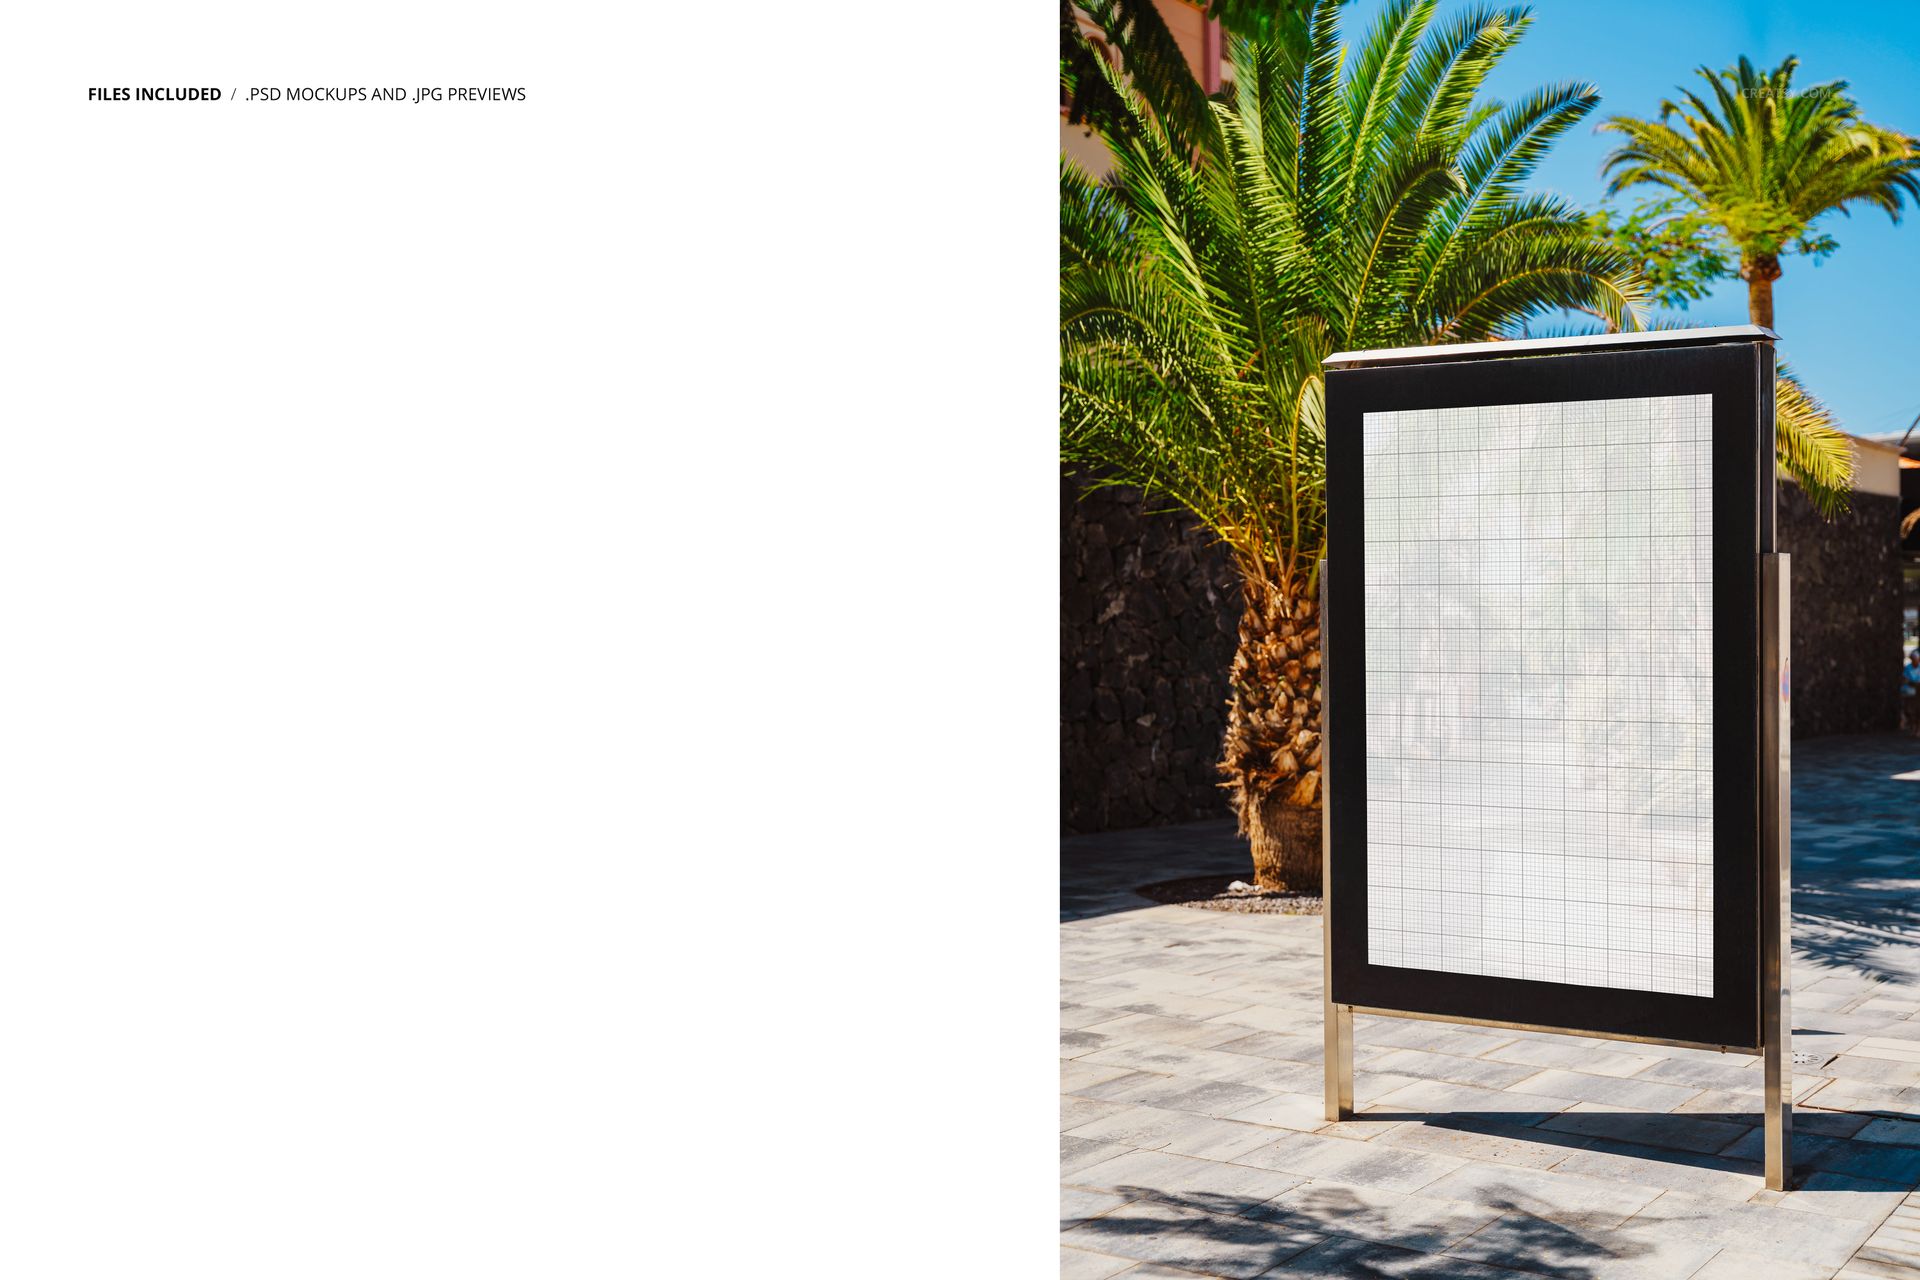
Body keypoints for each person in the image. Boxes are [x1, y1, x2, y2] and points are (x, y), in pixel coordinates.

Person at [1905, 648, 1920, 735]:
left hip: (1919, 691)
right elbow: (1905, 679)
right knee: (1911, 710)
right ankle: (1913, 727)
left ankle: (1918, 729)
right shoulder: (1908, 667)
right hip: (1911, 691)